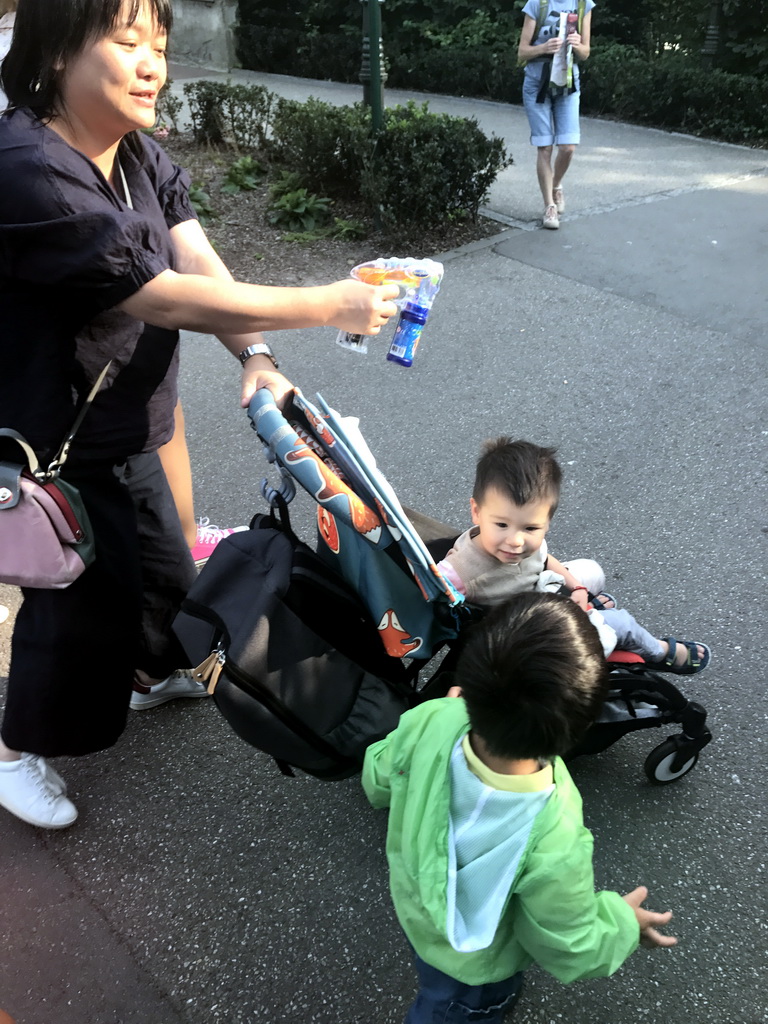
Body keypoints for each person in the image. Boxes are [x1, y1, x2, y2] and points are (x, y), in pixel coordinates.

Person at [0, 0, 398, 829]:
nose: (153, 62)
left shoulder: (134, 150)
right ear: (56, 48)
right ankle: (12, 749)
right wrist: (327, 304)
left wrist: (256, 356)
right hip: (56, 441)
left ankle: (149, 674)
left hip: (126, 419)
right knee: (75, 610)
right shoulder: (27, 165)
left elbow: (194, 255)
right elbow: (161, 296)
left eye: (161, 43)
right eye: (126, 39)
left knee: (167, 572)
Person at [363, 593, 677, 1023]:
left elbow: (380, 774)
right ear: (579, 727)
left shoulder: (434, 717)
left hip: (417, 902)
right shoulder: (556, 827)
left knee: (434, 974)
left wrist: (450, 711)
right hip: (476, 963)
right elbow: (569, 939)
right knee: (459, 1008)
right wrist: (622, 922)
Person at [437, 438, 711, 672]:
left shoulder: (520, 543)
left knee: (591, 571)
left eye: (531, 527)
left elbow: (543, 559)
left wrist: (576, 586)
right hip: (530, 632)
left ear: (547, 522)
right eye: (501, 525)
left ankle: (590, 606)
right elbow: (433, 590)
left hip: (540, 590)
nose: (516, 541)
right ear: (476, 512)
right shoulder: (460, 570)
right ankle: (659, 652)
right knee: (622, 623)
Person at [517, 0, 593, 230]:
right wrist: (543, 48)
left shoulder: (582, 5)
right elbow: (522, 51)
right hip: (537, 83)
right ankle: (549, 205)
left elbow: (586, 52)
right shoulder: (537, 4)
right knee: (545, 146)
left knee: (568, 147)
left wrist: (578, 45)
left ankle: (556, 185)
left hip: (567, 82)